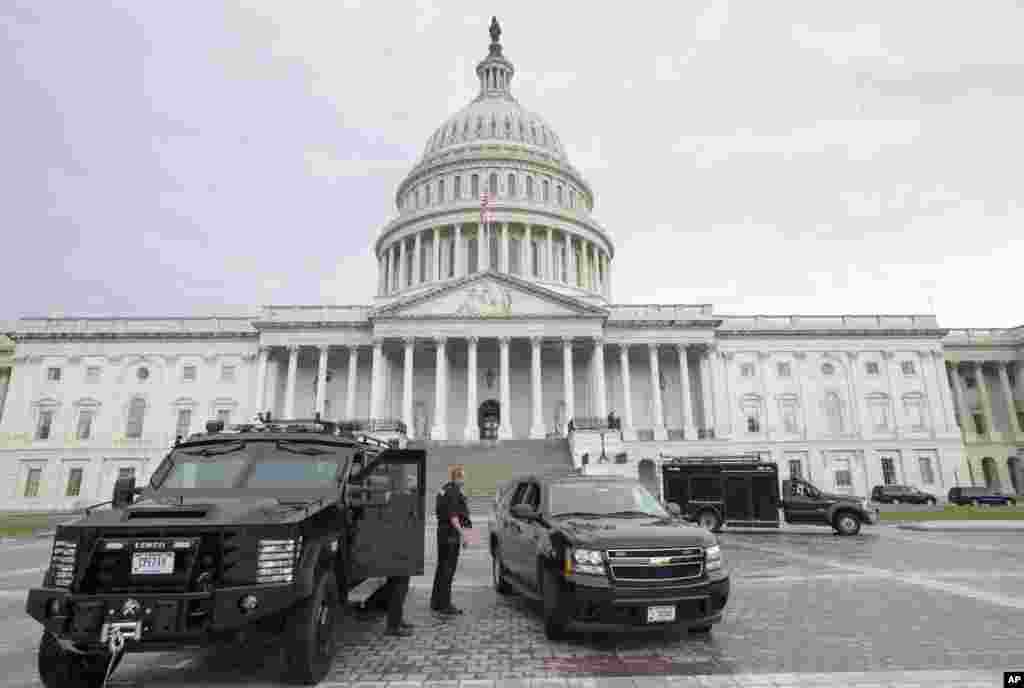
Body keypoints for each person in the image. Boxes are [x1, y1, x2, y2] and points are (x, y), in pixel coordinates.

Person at [431, 465, 471, 616]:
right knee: (448, 570)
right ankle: (445, 604)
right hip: (451, 534)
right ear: (458, 477)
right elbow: (454, 517)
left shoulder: (444, 488)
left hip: (442, 532)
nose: (465, 479)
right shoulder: (454, 492)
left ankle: (436, 601)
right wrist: (464, 535)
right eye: (463, 477)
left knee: (441, 568)